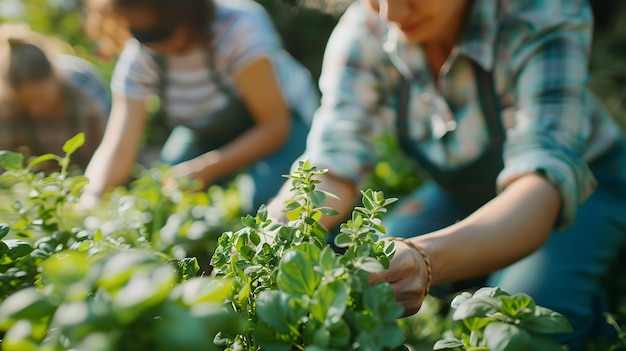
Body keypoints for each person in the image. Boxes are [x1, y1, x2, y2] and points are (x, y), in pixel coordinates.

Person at [266, 0, 626, 349]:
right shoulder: (364, 29)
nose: (391, 12)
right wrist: (274, 232)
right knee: (367, 268)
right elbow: (332, 162)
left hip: (574, 188)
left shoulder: (541, 13)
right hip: (464, 189)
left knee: (517, 321)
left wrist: (426, 258)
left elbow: (541, 181)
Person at [80, 0, 319, 212]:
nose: (151, 42)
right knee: (163, 196)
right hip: (208, 129)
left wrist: (207, 168)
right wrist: (91, 198)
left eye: (159, 32)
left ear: (187, 13)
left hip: (283, 122)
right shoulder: (141, 57)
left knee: (265, 199)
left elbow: (275, 128)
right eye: (140, 34)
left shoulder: (237, 28)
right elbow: (118, 146)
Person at [0, 23, 110, 171]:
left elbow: (112, 149)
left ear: (55, 77)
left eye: (41, 98)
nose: (35, 110)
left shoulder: (84, 90)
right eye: (25, 104)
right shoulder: (5, 105)